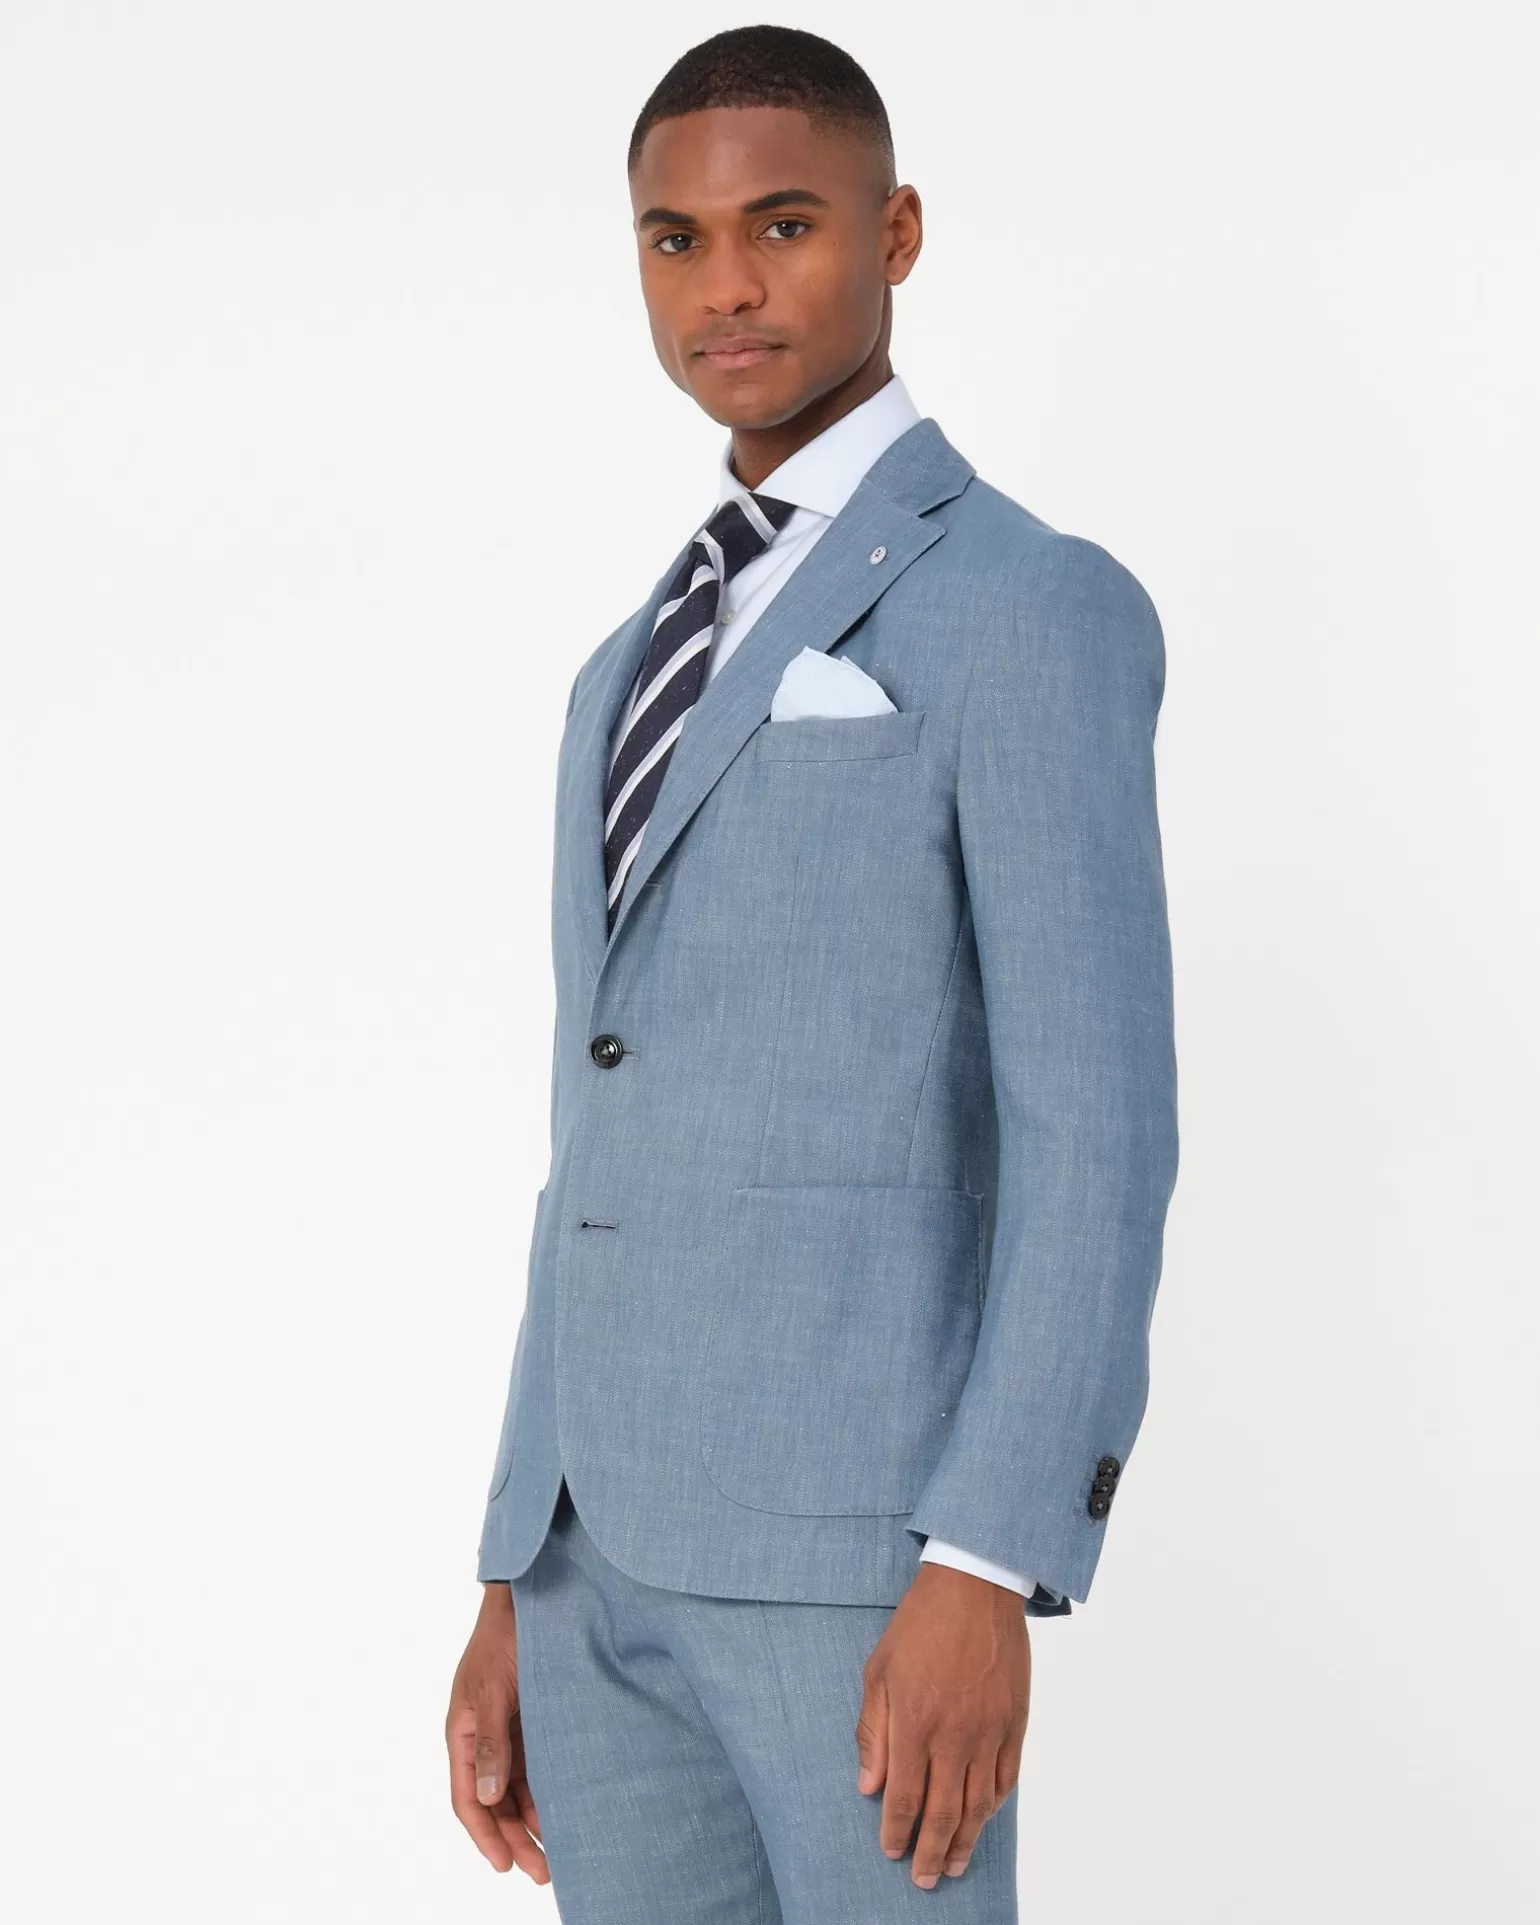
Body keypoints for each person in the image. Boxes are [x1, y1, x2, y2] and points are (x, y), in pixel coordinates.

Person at [445, 23, 1178, 1922]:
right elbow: (595, 1125)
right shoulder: (623, 668)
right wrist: (518, 1561)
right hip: (594, 1569)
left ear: (897, 232)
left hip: (865, 1568)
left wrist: (987, 1560)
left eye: (783, 224)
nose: (729, 285)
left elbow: (1096, 1127)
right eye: (675, 240)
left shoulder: (1032, 605)